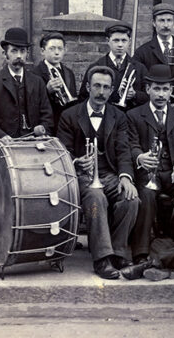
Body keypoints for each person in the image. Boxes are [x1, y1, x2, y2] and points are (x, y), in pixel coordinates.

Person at [56, 66, 140, 279]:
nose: (101, 92)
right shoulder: (69, 115)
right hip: (81, 176)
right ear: (87, 87)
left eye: (106, 87)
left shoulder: (119, 116)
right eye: (97, 86)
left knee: (131, 199)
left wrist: (125, 178)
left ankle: (119, 252)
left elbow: (123, 150)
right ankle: (102, 259)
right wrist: (76, 161)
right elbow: (61, 151)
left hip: (110, 174)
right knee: (95, 198)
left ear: (112, 90)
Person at [126, 65, 174, 255]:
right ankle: (141, 250)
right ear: (147, 89)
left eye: (165, 89)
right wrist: (140, 157)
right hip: (147, 172)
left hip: (171, 171)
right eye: (157, 88)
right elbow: (131, 144)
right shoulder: (133, 115)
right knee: (146, 194)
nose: (161, 94)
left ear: (171, 91)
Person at [0, 27, 53, 138]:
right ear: (5, 54)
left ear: (27, 54)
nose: (19, 56)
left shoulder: (37, 82)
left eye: (22, 51)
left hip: (33, 143)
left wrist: (42, 132)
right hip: (4, 144)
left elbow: (47, 115)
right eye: (14, 51)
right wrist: (1, 135)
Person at [134, 3, 174, 113]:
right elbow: (139, 84)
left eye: (169, 20)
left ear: (173, 23)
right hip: (151, 110)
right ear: (154, 23)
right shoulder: (142, 52)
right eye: (161, 20)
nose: (166, 25)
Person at [79, 21, 148, 111]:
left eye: (124, 40)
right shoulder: (96, 67)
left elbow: (149, 96)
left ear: (129, 42)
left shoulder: (140, 68)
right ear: (108, 41)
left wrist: (135, 94)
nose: (120, 45)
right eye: (116, 40)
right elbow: (83, 97)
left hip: (130, 118)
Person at [31, 32, 77, 134]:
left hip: (66, 125)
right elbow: (31, 104)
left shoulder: (69, 73)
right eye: (52, 49)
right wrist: (46, 91)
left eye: (60, 49)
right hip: (46, 125)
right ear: (43, 51)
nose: (57, 53)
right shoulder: (34, 74)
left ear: (65, 50)